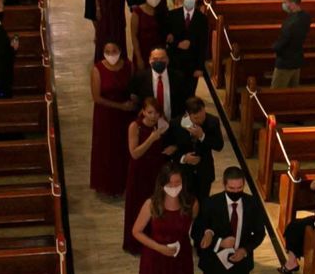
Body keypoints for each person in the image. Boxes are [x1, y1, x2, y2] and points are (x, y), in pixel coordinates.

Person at [192, 166, 265, 274]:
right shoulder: (210, 203)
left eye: (239, 188)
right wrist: (218, 242)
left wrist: (244, 250)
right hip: (214, 261)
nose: (235, 192)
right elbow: (197, 232)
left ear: (244, 185)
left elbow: (259, 233)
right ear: (224, 185)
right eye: (231, 189)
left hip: (240, 262)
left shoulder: (252, 204)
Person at [123, 98, 176, 255]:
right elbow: (135, 153)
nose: (153, 116)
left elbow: (169, 139)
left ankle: (153, 241)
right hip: (139, 171)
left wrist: (172, 147)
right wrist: (151, 139)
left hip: (156, 170)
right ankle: (135, 243)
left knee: (156, 205)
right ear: (144, 111)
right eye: (150, 112)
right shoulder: (135, 126)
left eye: (156, 112)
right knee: (137, 205)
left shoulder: (161, 124)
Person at [89, 42, 134, 197]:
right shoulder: (97, 69)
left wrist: (132, 103)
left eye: (114, 50)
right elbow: (97, 97)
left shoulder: (128, 66)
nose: (111, 54)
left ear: (120, 51)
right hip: (106, 115)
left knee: (123, 147)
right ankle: (107, 184)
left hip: (126, 115)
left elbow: (133, 87)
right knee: (107, 148)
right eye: (107, 51)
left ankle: (124, 182)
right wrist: (120, 106)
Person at [160, 0, 209, 94]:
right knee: (175, 93)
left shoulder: (202, 19)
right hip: (175, 63)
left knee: (189, 94)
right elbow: (165, 36)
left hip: (192, 65)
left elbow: (203, 44)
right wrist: (177, 44)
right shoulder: (172, 15)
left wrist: (199, 68)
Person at [172, 95, 223, 199]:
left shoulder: (213, 122)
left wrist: (202, 136)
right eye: (196, 118)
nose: (200, 120)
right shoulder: (176, 124)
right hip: (184, 174)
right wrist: (184, 158)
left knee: (203, 204)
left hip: (204, 172)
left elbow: (219, 145)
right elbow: (169, 149)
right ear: (187, 114)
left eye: (202, 115)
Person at [130, 46, 180, 127]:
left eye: (162, 58)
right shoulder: (140, 78)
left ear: (167, 59)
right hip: (147, 125)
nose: (159, 61)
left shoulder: (178, 77)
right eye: (155, 59)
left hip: (173, 124)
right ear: (150, 60)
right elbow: (135, 100)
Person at [270, 0, 310, 89]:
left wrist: (274, 47)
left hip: (285, 62)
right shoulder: (306, 17)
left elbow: (283, 41)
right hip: (297, 60)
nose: (283, 4)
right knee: (293, 92)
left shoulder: (290, 23)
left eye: (285, 2)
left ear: (292, 4)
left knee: (277, 92)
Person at [129, 0, 167, 69]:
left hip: (158, 53)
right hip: (142, 51)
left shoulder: (162, 11)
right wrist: (138, 57)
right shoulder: (137, 12)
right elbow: (134, 36)